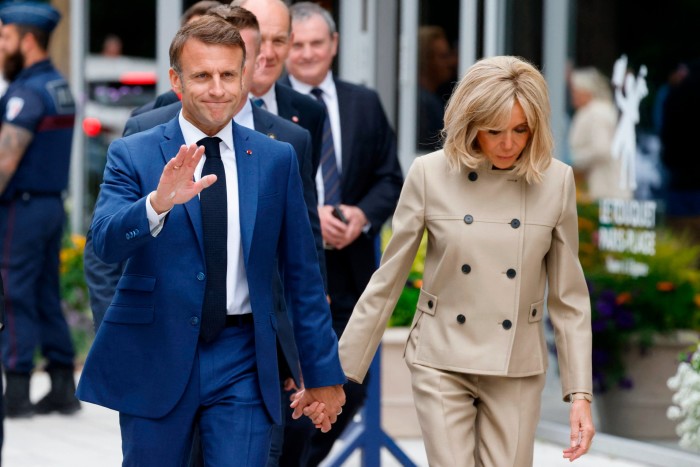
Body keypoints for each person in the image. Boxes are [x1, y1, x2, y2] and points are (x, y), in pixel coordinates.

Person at [76, 15, 345, 465]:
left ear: (244, 77)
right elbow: (103, 242)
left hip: (243, 356)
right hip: (156, 352)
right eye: (202, 75)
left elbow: (302, 275)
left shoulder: (276, 159)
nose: (217, 89)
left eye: (227, 75)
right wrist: (156, 204)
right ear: (176, 81)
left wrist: (322, 372)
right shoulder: (134, 151)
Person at [337, 56, 595, 466]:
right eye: (494, 131)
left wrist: (580, 394)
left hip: (516, 365)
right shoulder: (429, 174)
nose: (508, 143)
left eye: (520, 130)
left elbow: (569, 300)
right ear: (470, 125)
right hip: (441, 355)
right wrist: (341, 374)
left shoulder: (556, 181)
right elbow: (387, 280)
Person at [282, 3, 404, 465]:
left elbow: (390, 178)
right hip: (298, 274)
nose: (308, 53)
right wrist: (313, 215)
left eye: (317, 43)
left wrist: (361, 215)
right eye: (298, 44)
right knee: (295, 389)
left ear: (334, 45)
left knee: (352, 384)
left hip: (352, 274)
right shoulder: (271, 104)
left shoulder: (364, 103)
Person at [0, 1, 80, 419]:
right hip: (50, 208)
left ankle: (15, 392)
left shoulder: (27, 93)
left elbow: (4, 162)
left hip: (22, 209)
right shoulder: (57, 85)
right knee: (46, 293)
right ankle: (63, 384)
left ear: (27, 41)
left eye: (4, 38)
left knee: (13, 293)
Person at [231, 0, 326, 178]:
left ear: (290, 43)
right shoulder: (184, 106)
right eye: (258, 41)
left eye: (278, 41)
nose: (267, 53)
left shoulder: (310, 112)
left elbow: (304, 197)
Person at [568, 67, 631, 200]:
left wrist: (573, 162)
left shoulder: (595, 113)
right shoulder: (599, 110)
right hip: (606, 186)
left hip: (606, 188)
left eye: (575, 91)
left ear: (587, 90)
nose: (572, 95)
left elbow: (601, 149)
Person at [417, 25, 456, 151]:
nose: (450, 63)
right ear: (426, 60)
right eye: (443, 56)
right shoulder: (423, 104)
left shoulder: (432, 98)